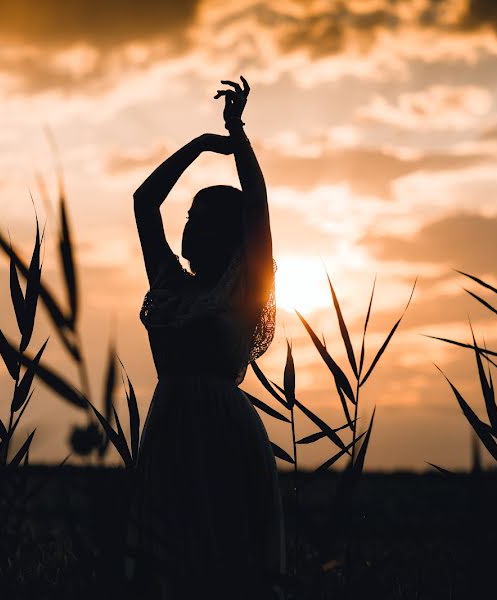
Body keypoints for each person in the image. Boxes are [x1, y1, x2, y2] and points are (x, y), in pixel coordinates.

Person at [126, 76, 285, 599]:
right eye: (188, 214)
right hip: (170, 425)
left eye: (198, 217)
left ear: (225, 232)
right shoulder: (170, 286)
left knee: (225, 559)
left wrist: (237, 137)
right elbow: (144, 203)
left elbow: (258, 206)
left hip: (221, 430)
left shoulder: (243, 291)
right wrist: (198, 146)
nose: (186, 224)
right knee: (166, 561)